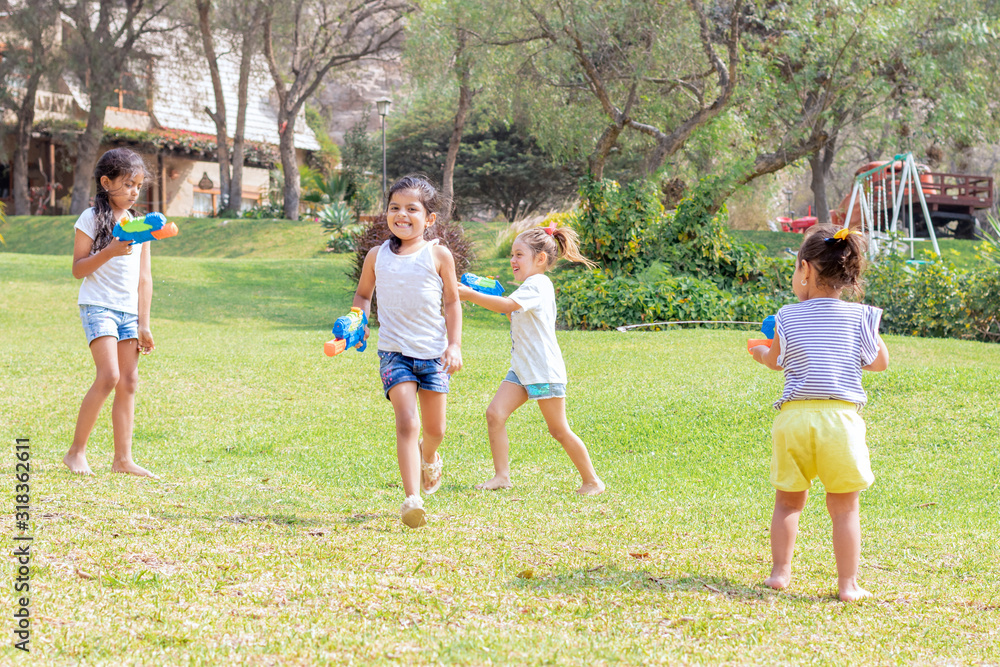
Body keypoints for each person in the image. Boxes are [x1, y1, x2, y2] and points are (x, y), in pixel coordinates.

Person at [750, 225, 889, 602]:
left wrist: (760, 352)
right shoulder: (861, 317)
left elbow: (776, 362)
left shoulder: (787, 316)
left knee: (788, 501)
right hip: (841, 422)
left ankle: (780, 573)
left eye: (796, 270)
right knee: (844, 509)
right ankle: (848, 585)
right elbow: (879, 363)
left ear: (807, 270)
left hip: (794, 418)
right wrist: (863, 329)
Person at [458, 222, 605, 496]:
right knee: (495, 414)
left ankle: (593, 481)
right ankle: (501, 476)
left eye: (519, 254)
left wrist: (471, 296)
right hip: (523, 369)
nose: (512, 260)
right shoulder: (528, 287)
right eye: (511, 254)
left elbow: (508, 306)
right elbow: (509, 310)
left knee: (559, 430)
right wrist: (487, 295)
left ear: (540, 259)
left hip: (542, 370)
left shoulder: (538, 284)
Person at [351, 175, 463, 528]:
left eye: (412, 209)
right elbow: (363, 296)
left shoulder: (438, 254)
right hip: (393, 353)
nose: (402, 214)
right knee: (407, 422)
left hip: (433, 355)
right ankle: (412, 498)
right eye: (394, 207)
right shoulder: (376, 256)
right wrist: (359, 319)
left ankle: (430, 457)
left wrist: (454, 344)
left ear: (429, 219)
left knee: (435, 429)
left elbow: (452, 302)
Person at [64, 148, 158, 479]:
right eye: (128, 184)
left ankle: (122, 460)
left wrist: (144, 323)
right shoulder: (89, 218)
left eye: (138, 185)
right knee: (109, 376)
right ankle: (76, 452)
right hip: (98, 305)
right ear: (106, 182)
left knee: (129, 380)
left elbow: (144, 278)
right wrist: (110, 251)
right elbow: (78, 269)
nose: (134, 191)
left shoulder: (140, 225)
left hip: (128, 312)